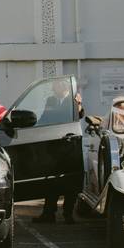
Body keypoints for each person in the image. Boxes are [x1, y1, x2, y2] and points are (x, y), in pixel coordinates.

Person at [33, 88, 85, 224]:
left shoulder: (73, 100)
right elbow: (45, 118)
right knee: (51, 182)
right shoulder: (51, 100)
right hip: (53, 147)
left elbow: (80, 116)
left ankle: (68, 214)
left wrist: (78, 105)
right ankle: (48, 214)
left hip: (69, 146)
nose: (55, 89)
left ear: (65, 87)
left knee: (70, 183)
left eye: (58, 86)